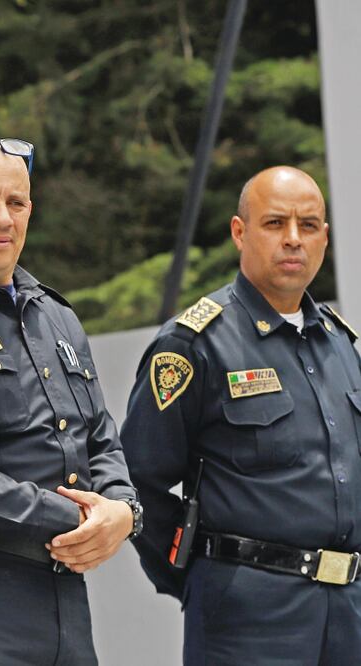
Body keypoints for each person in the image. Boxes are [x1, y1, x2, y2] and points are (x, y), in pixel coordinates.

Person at [122, 166, 361, 664]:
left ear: (325, 238)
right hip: (248, 619)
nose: (293, 239)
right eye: (275, 224)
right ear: (239, 232)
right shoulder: (194, 344)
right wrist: (200, 576)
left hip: (349, 614)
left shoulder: (344, 345)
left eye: (309, 225)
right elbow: (136, 480)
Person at [0, 138, 141, 665]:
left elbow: (101, 437)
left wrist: (122, 511)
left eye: (16, 203)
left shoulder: (55, 315)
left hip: (66, 598)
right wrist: (69, 516)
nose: (2, 218)